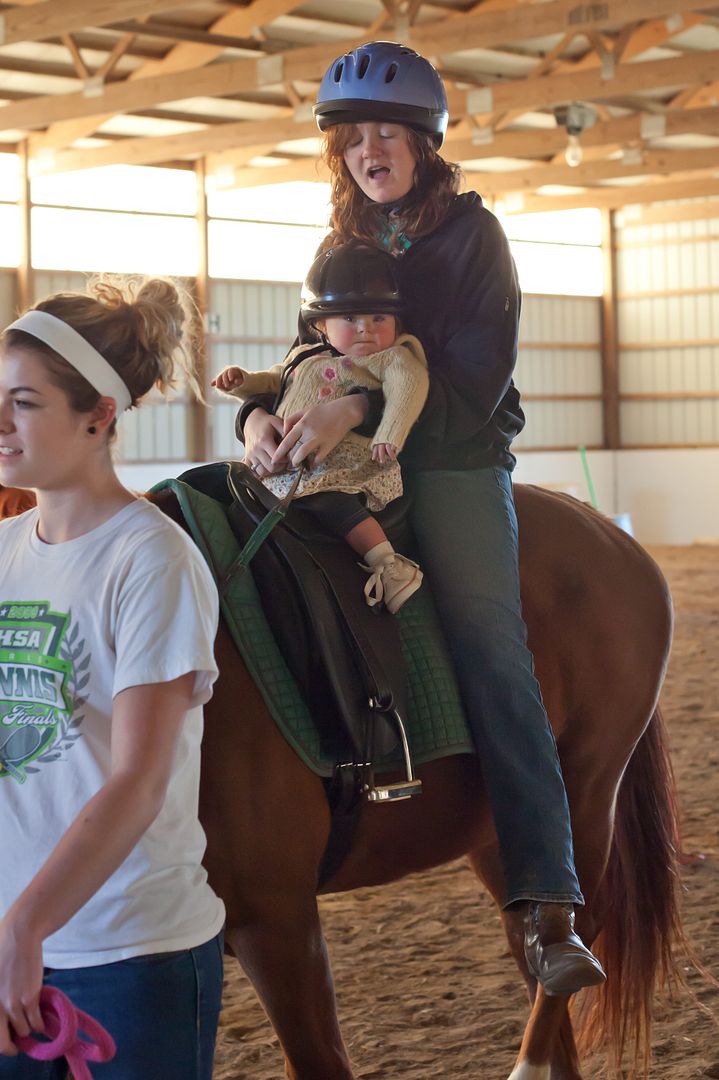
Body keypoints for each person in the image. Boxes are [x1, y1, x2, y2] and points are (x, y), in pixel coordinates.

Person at [237, 41, 606, 996]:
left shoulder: (473, 239)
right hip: (346, 451)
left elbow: (477, 379)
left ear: (423, 142)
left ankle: (545, 901)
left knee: (488, 637)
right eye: (352, 137)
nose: (368, 150)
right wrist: (259, 415)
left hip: (450, 456)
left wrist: (356, 410)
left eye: (386, 133)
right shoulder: (341, 240)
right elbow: (302, 346)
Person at [0, 277, 225, 1078]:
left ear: (98, 414)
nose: (0, 422)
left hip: (131, 954)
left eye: (24, 403)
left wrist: (25, 927)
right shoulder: (4, 550)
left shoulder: (151, 559)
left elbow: (136, 779)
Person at [214, 243, 429, 614]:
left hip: (343, 463)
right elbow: (274, 381)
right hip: (287, 461)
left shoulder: (391, 358)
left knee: (328, 501)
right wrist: (243, 384)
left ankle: (386, 563)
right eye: (349, 318)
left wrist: (388, 434)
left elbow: (408, 390)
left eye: (379, 318)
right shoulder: (304, 356)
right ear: (320, 326)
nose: (365, 328)